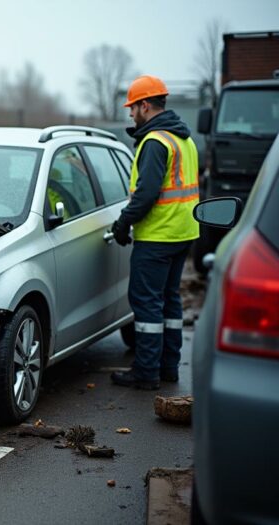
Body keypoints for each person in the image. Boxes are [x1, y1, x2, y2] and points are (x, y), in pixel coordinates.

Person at [109, 75, 199, 390]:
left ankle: (146, 372)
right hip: (184, 233)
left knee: (146, 303)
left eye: (132, 108)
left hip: (158, 236)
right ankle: (168, 367)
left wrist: (123, 223)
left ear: (145, 105)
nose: (131, 114)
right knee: (170, 301)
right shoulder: (184, 139)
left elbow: (146, 194)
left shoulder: (155, 142)